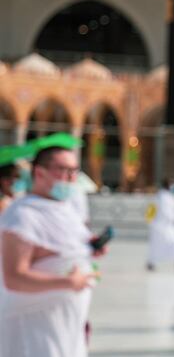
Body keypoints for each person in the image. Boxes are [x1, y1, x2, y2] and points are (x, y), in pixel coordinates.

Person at [0, 146, 101, 357]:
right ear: (39, 172)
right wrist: (68, 283)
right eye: (63, 170)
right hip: (34, 330)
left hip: (68, 326)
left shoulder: (66, 209)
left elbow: (62, 250)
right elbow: (14, 277)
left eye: (74, 170)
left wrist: (89, 249)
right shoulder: (23, 215)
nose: (71, 177)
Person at [146, 177, 174, 271]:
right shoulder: (165, 197)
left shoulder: (162, 196)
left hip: (160, 225)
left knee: (160, 245)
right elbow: (167, 211)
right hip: (164, 225)